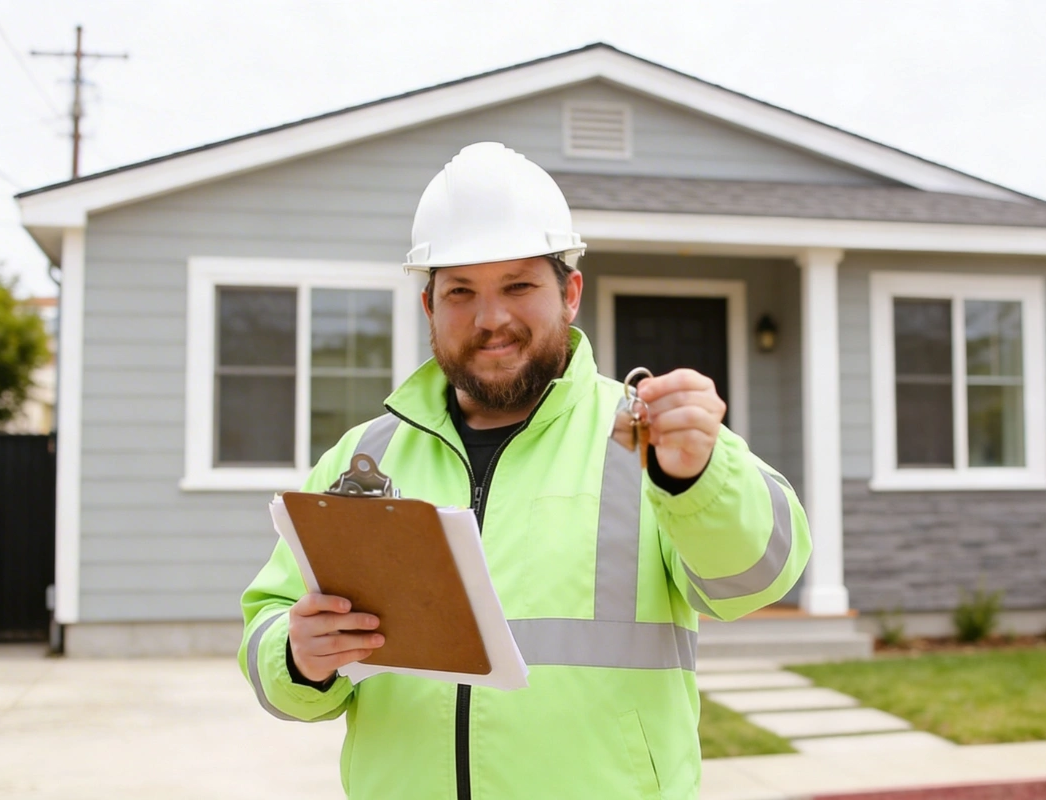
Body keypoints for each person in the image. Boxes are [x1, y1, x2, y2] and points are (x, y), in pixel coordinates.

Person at [239, 142, 811, 800]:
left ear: (569, 294)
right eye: (461, 291)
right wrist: (297, 656)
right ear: (429, 307)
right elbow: (268, 628)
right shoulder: (362, 458)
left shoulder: (646, 435)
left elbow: (761, 577)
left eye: (518, 285)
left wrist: (701, 479)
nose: (492, 319)